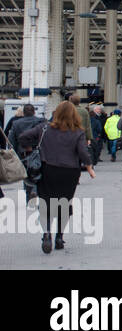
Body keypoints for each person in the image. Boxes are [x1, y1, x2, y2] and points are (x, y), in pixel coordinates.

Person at [19, 101, 95, 253]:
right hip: (70, 172)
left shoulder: (44, 128)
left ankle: (46, 234)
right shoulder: (78, 132)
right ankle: (59, 237)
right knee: (64, 204)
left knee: (46, 204)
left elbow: (23, 137)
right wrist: (89, 166)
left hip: (48, 170)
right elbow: (82, 152)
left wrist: (31, 149)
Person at [3, 104, 46, 203]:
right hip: (39, 151)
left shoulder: (16, 123)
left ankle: (28, 196)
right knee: (39, 172)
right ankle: (36, 190)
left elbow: (11, 140)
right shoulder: (41, 122)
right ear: (34, 112)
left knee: (26, 173)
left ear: (24, 113)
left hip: (23, 153)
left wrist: (12, 152)